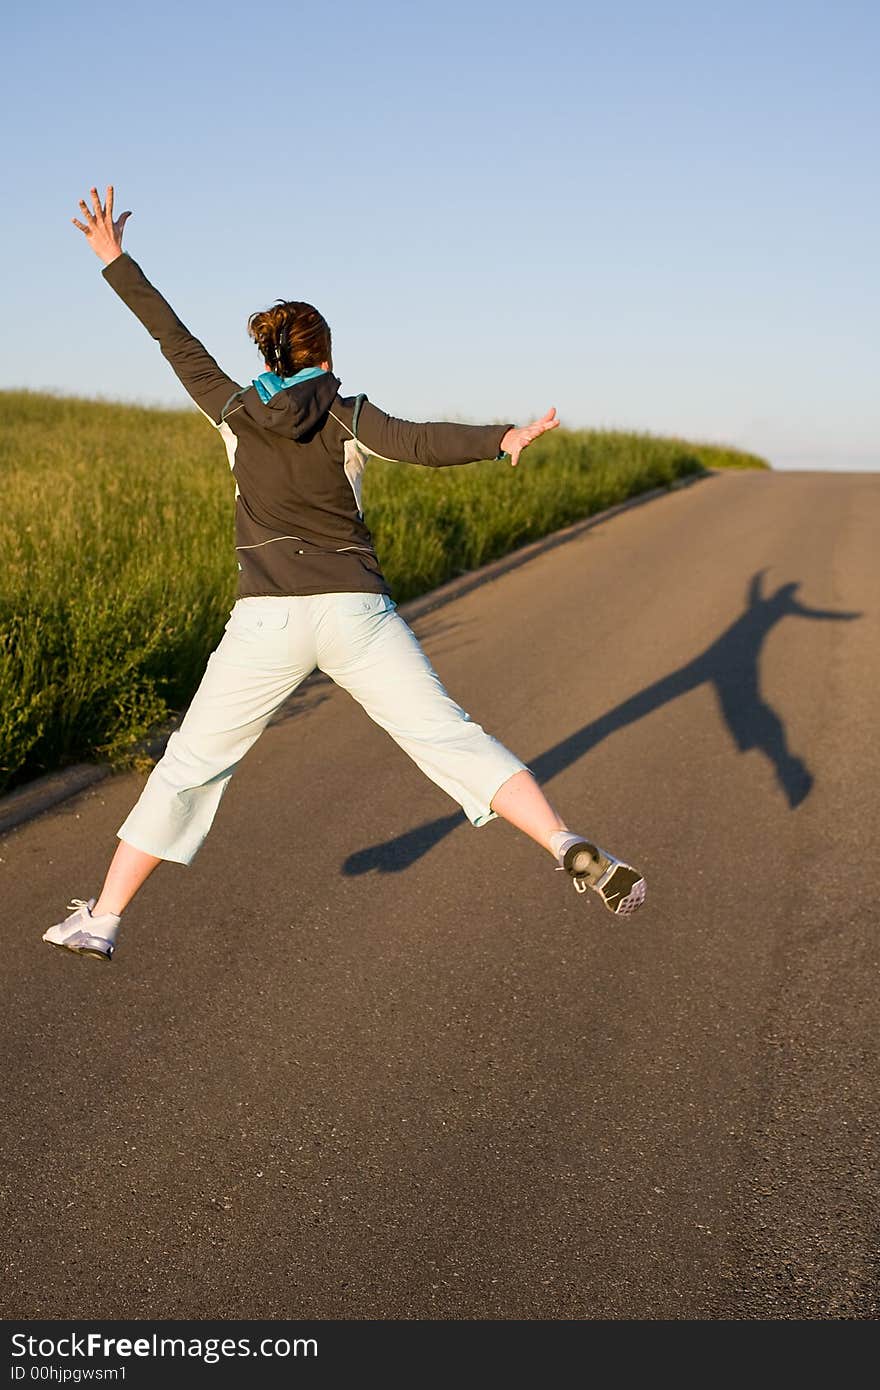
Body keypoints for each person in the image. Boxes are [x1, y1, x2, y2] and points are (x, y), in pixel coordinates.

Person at [43, 187, 645, 963]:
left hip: (267, 620)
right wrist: (504, 437)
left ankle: (104, 917)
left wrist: (114, 259)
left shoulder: (231, 408)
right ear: (325, 357)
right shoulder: (347, 413)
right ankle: (563, 841)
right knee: (448, 738)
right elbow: (423, 442)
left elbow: (174, 339)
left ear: (269, 357)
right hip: (358, 614)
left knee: (192, 764)